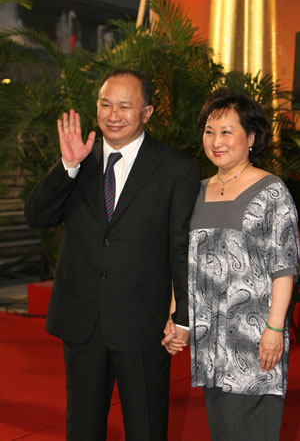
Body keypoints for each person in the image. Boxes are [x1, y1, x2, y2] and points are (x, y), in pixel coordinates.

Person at [24, 69, 200, 441]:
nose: (113, 114)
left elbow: (180, 245)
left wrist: (182, 315)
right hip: (83, 320)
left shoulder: (175, 168)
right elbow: (37, 216)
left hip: (144, 323)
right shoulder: (81, 158)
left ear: (147, 112)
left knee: (146, 428)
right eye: (105, 104)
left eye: (125, 105)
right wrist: (68, 166)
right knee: (82, 429)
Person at [169, 92, 299, 441]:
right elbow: (185, 261)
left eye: (227, 131)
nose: (216, 141)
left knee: (254, 430)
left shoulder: (272, 191)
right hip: (209, 342)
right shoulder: (195, 191)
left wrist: (275, 328)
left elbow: (285, 267)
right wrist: (176, 316)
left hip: (254, 338)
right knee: (222, 431)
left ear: (251, 137)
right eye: (209, 131)